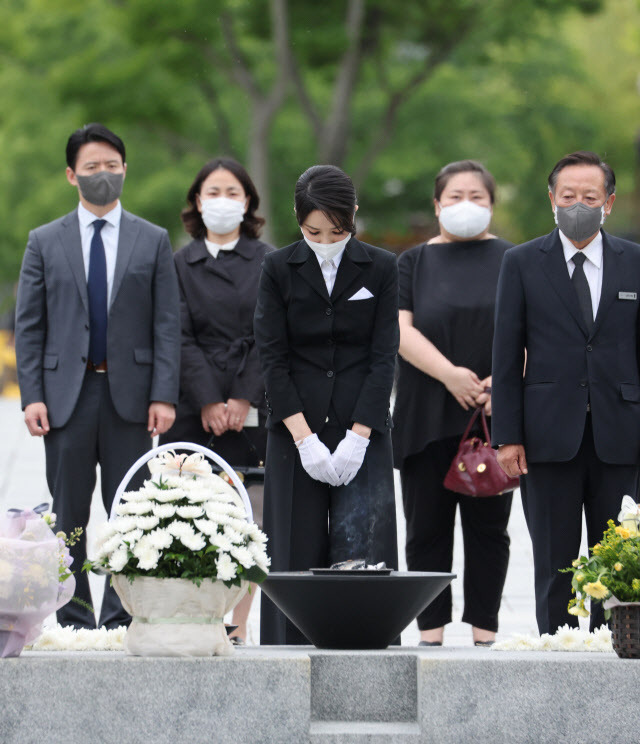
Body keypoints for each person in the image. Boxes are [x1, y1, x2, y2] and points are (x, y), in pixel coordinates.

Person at [15, 123, 180, 629]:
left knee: (130, 513)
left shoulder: (152, 240)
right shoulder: (44, 241)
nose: (102, 175)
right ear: (72, 175)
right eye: (91, 167)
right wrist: (32, 395)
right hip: (65, 396)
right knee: (68, 515)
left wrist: (164, 394)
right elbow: (30, 324)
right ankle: (74, 618)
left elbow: (166, 322)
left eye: (111, 166)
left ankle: (120, 617)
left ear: (125, 170)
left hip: (131, 396)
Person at [492, 151, 640, 635]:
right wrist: (507, 436)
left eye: (590, 197)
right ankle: (553, 647)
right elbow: (507, 355)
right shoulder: (521, 262)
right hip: (546, 435)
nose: (579, 204)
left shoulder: (634, 262)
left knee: (618, 560)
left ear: (609, 203)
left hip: (621, 434)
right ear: (552, 199)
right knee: (555, 560)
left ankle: (616, 647)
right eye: (569, 195)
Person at [254, 164, 399, 645]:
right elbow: (273, 358)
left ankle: (370, 668)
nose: (325, 240)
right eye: (314, 231)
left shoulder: (380, 266)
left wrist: (359, 437)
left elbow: (383, 357)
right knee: (293, 556)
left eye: (337, 231)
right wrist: (304, 438)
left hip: (363, 427)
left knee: (367, 552)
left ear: (353, 217)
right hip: (296, 430)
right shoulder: (278, 268)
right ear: (298, 221)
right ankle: (287, 667)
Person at [393, 160, 513, 647]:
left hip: (491, 416)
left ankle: (484, 632)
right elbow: (399, 330)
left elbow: (532, 332)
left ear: (491, 204)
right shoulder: (413, 262)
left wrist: (499, 383)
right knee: (426, 531)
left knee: (490, 533)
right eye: (456, 196)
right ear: (437, 204)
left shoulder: (514, 259)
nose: (466, 206)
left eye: (477, 197)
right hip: (426, 412)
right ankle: (430, 635)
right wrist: (449, 375)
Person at [159, 157, 272, 645]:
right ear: (197, 202)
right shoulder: (177, 263)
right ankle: (189, 623)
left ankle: (238, 627)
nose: (222, 201)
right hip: (191, 408)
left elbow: (270, 335)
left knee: (250, 519)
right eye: (212, 192)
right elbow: (176, 335)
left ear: (247, 202)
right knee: (186, 515)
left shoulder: (270, 261)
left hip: (253, 405)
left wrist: (241, 397)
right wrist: (208, 399)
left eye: (232, 192)